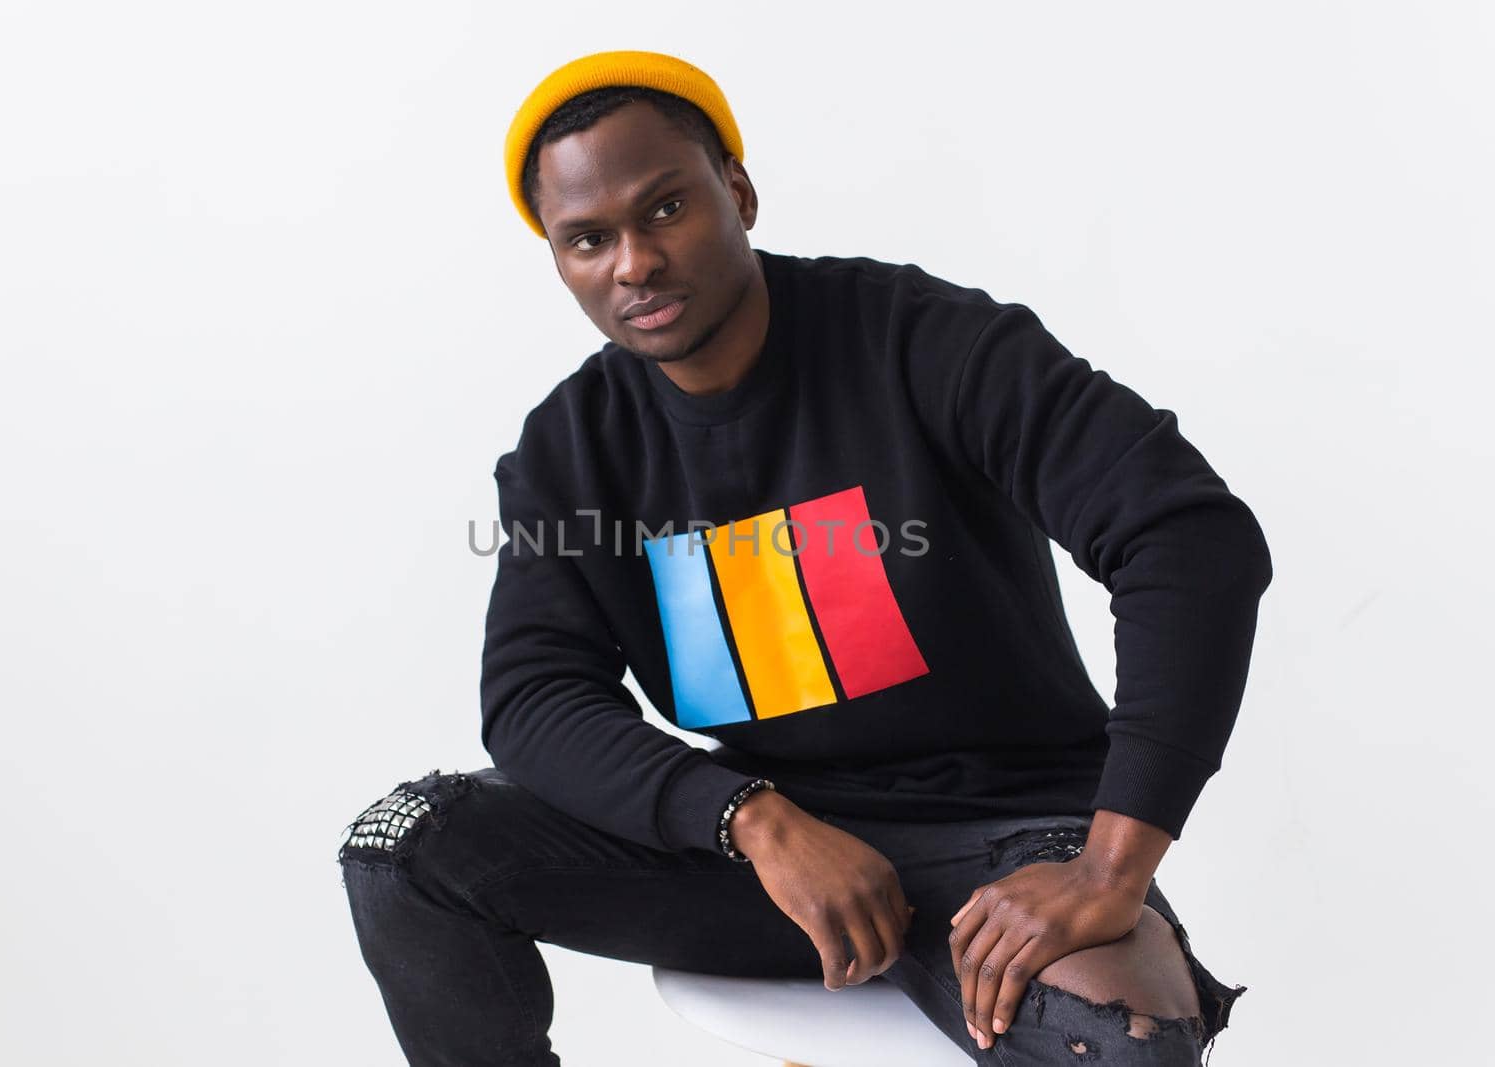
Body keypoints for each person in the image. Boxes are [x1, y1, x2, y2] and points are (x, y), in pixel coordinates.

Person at [336, 49, 1272, 1066]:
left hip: (1002, 834)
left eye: (665, 209)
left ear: (736, 191)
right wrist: (751, 818)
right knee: (404, 848)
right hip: (760, 857)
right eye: (587, 238)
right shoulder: (573, 448)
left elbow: (1186, 537)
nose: (634, 263)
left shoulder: (922, 342)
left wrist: (1110, 865)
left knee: (1122, 1041)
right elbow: (533, 696)